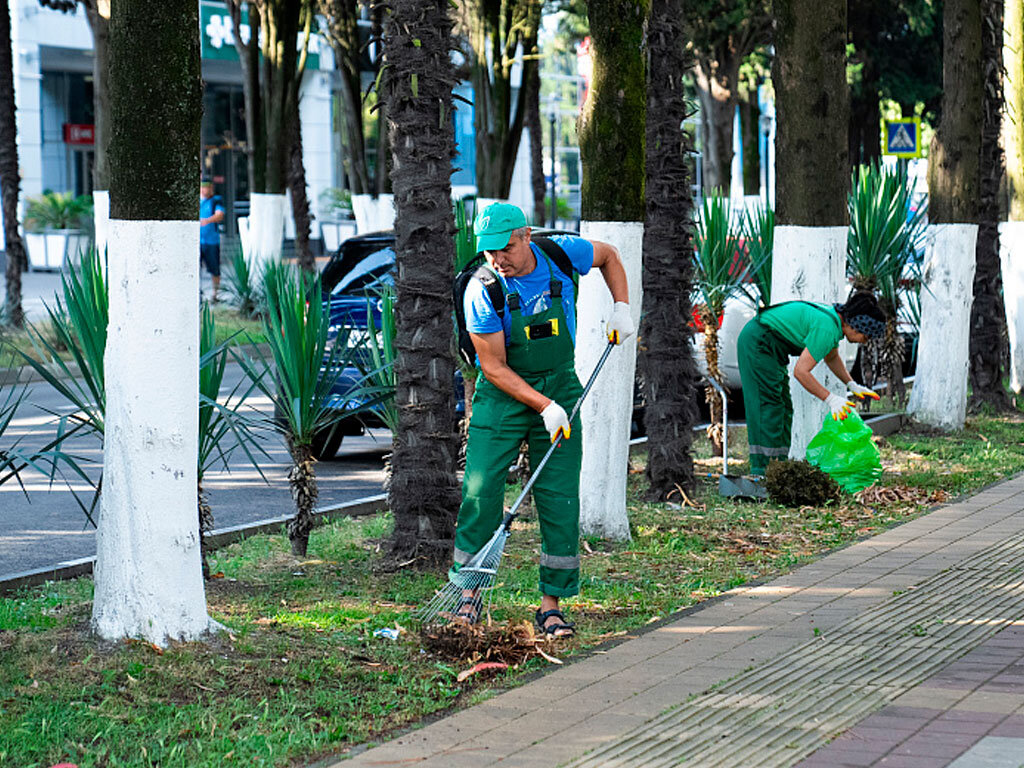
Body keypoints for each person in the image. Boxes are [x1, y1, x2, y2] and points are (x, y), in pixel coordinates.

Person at [453, 202, 632, 638]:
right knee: (481, 490)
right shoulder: (482, 290)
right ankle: (468, 599)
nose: (499, 260)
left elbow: (608, 255)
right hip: (505, 395)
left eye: (506, 248)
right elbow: (493, 368)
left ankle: (551, 606)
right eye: (490, 252)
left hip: (561, 385)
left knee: (559, 495)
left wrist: (622, 306)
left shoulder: (560, 253)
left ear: (526, 235)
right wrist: (543, 407)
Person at [736, 291, 886, 476]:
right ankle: (761, 472)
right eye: (867, 336)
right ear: (856, 326)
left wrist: (852, 384)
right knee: (768, 407)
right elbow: (801, 371)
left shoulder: (834, 322)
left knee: (783, 408)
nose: (865, 341)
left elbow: (832, 357)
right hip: (758, 343)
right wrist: (830, 399)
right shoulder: (827, 328)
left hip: (770, 348)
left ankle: (777, 469)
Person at [199, 180, 225, 302]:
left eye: (207, 188)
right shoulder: (198, 201)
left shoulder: (216, 201)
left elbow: (220, 215)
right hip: (198, 242)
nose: (205, 190)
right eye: (203, 188)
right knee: (195, 268)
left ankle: (216, 293)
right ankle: (197, 292)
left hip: (211, 242)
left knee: (214, 269)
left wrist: (207, 220)